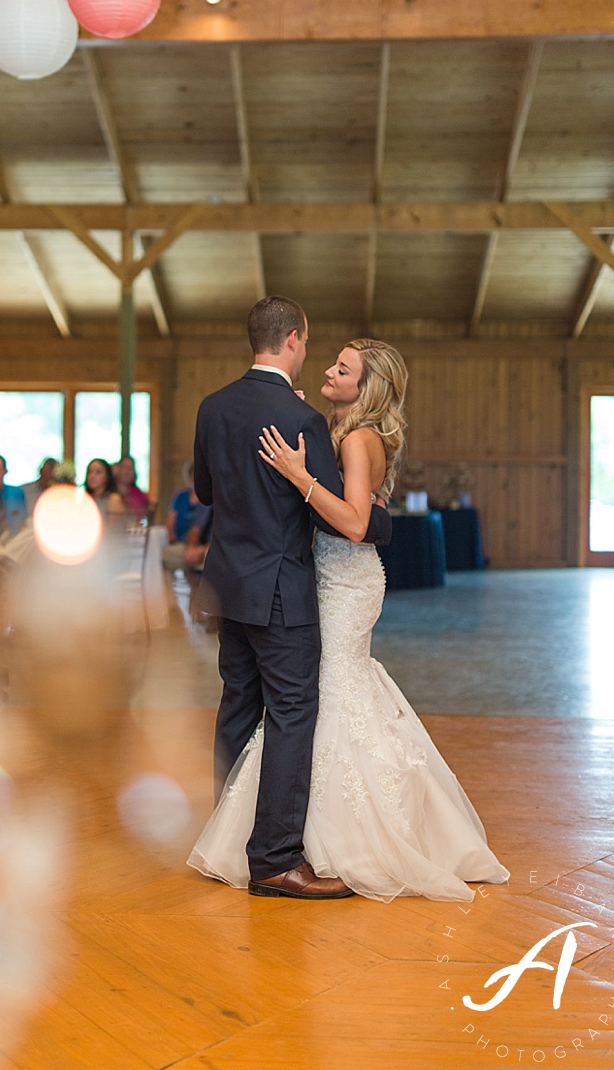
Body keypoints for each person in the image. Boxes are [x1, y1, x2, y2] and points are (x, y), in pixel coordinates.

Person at [191, 332, 507, 902]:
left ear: (369, 387)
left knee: (322, 696)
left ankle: (322, 841)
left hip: (345, 581)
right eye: (332, 362)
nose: (329, 372)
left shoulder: (359, 439)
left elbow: (358, 524)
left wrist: (298, 474)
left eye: (343, 368)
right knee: (322, 697)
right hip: (324, 577)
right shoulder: (336, 430)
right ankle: (291, 839)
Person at [180, 295, 404, 901]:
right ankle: (274, 859)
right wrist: (385, 523)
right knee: (291, 713)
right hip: (282, 592)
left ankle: (222, 837)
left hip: (228, 586)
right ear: (295, 340)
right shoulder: (300, 420)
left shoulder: (213, 406)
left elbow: (203, 489)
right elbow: (347, 522)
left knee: (236, 707)